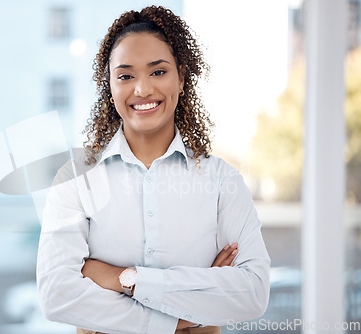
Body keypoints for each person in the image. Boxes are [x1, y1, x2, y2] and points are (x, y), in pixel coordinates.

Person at [36, 6, 270, 334]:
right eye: (126, 75)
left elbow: (252, 293)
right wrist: (190, 310)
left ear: (182, 77)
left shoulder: (221, 182)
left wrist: (123, 279)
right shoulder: (76, 180)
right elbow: (56, 296)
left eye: (158, 72)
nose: (143, 89)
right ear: (110, 87)